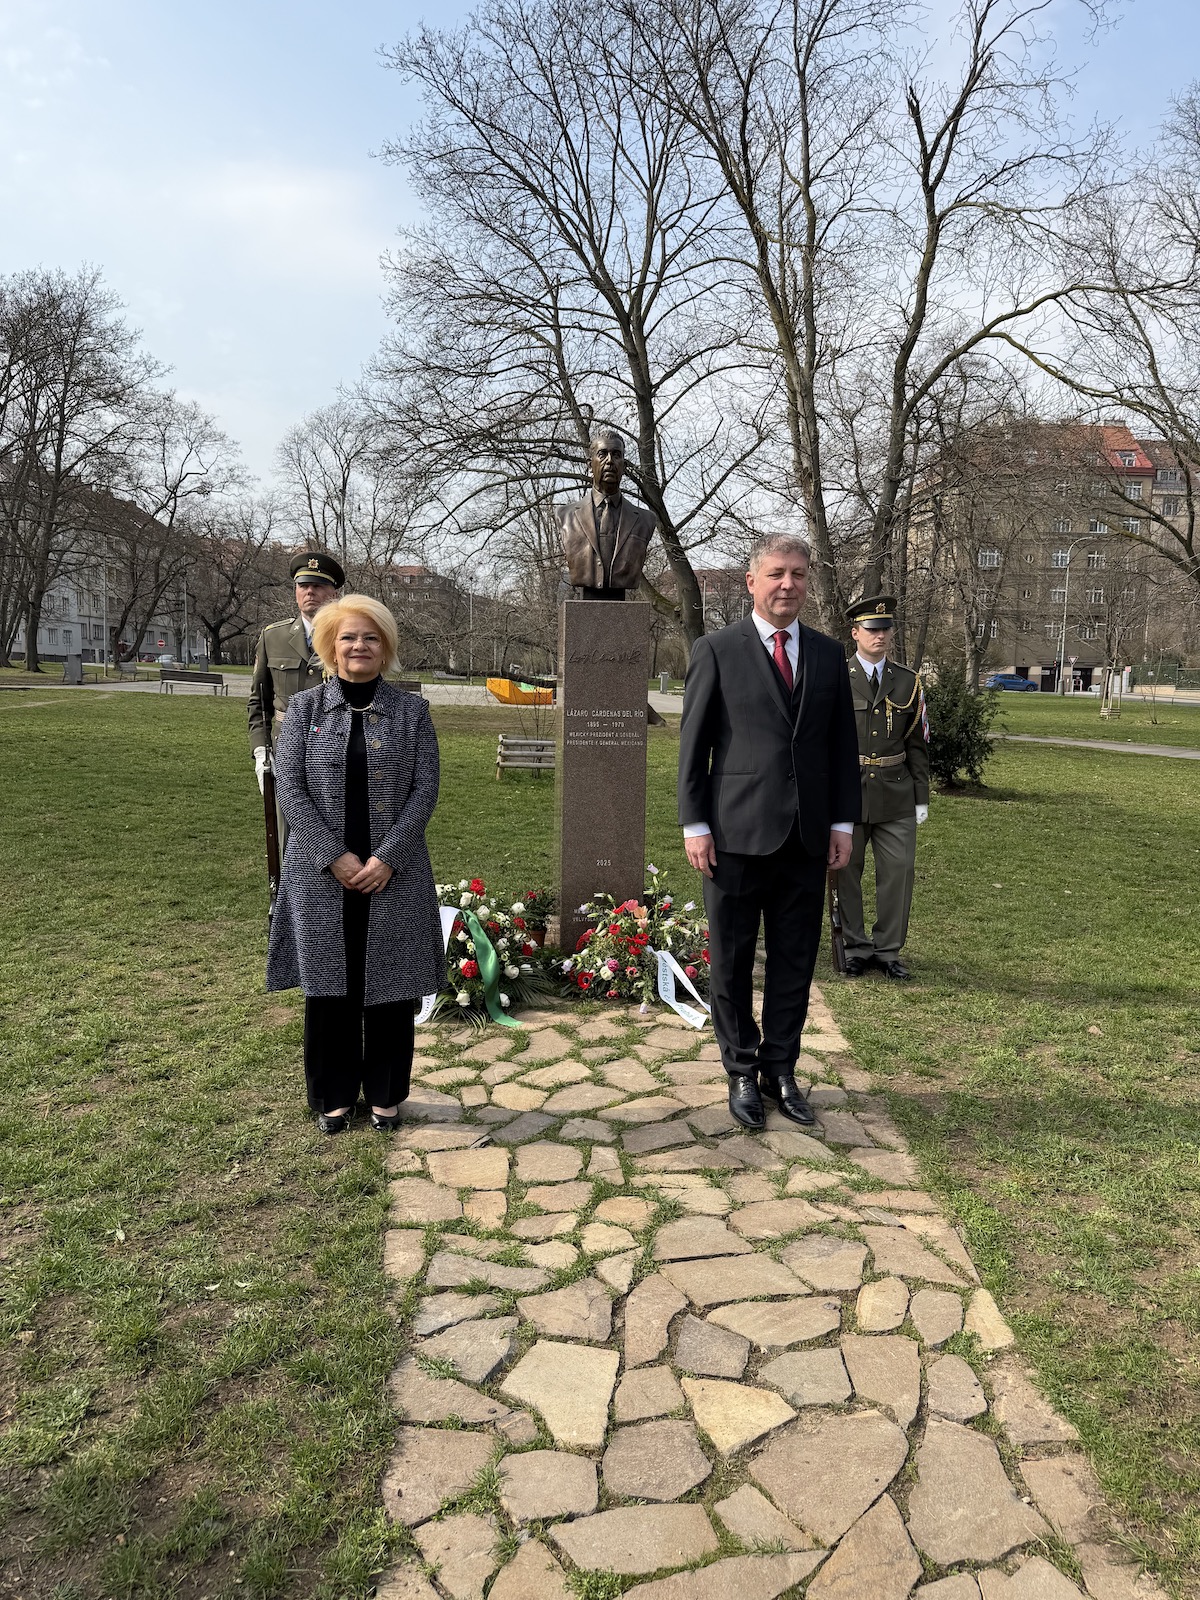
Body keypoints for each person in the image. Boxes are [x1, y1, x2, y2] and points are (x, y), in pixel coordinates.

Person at [678, 534, 860, 1131]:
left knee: (794, 961)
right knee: (730, 961)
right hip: (733, 836)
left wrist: (841, 821)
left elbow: (841, 746)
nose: (789, 584)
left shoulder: (829, 655)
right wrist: (695, 824)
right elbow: (694, 746)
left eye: (799, 574)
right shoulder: (716, 649)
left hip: (806, 838)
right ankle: (740, 1068)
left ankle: (781, 1068)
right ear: (752, 581)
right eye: (777, 573)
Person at [266, 595, 444, 1134]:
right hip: (321, 874)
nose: (359, 646)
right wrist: (333, 856)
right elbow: (289, 788)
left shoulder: (411, 712)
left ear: (385, 647)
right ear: (330, 646)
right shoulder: (304, 710)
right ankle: (334, 1095)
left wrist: (388, 856)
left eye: (370, 637)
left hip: (394, 871)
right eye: (348, 637)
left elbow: (425, 790)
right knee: (329, 987)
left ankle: (387, 1094)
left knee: (390, 983)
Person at [839, 595, 931, 981]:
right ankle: (855, 947)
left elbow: (917, 744)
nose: (880, 635)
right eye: (872, 629)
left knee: (899, 872)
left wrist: (921, 797)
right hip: (848, 792)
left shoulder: (908, 681)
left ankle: (889, 949)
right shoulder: (837, 676)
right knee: (846, 872)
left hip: (896, 793)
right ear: (855, 633)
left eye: (886, 628)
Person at [248, 550, 345, 796]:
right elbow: (259, 701)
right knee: (287, 819)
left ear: (334, 593)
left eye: (318, 585)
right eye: (303, 586)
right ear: (296, 591)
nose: (309, 592)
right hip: (286, 751)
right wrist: (261, 750)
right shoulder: (273, 637)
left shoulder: (349, 637)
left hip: (337, 751)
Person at [556, 429, 657, 598]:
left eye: (616, 455)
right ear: (590, 465)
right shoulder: (565, 516)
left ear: (623, 465)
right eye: (602, 454)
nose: (610, 461)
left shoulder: (645, 520)